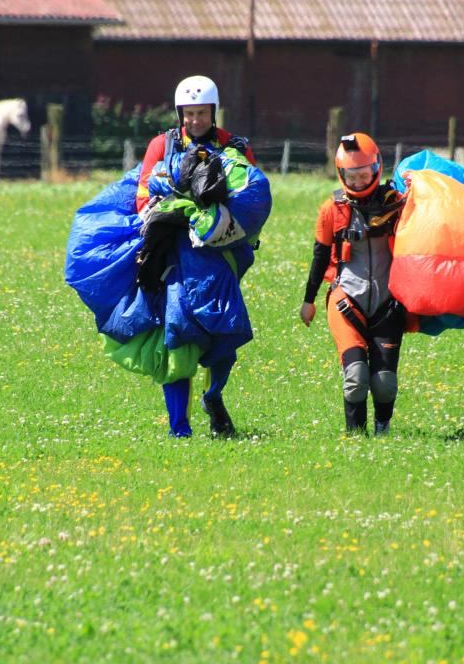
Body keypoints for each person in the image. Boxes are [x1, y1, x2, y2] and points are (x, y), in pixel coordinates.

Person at [65, 75, 271, 438]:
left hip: (218, 256)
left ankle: (213, 397)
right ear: (179, 113)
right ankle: (180, 428)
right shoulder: (162, 145)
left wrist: (212, 211)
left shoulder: (234, 147)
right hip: (173, 254)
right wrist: (178, 200)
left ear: (213, 112)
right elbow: (143, 196)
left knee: (221, 325)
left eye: (202, 113)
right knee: (176, 331)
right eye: (189, 113)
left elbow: (250, 199)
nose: (195, 120)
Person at [299, 132, 408, 435]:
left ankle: (383, 429)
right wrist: (309, 301)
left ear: (377, 169)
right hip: (346, 301)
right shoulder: (332, 210)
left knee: (384, 384)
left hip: (389, 304)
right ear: (341, 174)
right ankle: (356, 439)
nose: (359, 182)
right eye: (352, 176)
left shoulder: (396, 205)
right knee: (356, 377)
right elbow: (320, 257)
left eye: (364, 174)